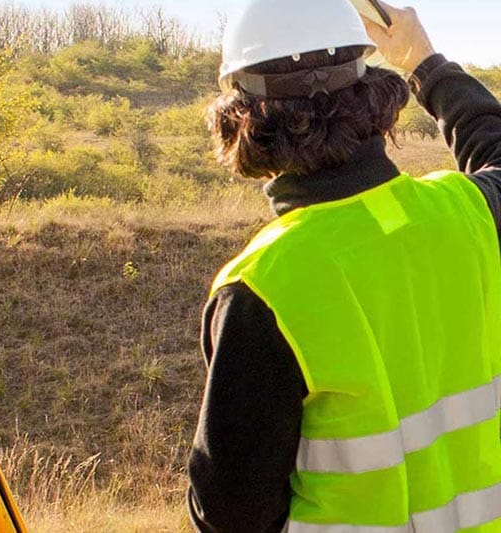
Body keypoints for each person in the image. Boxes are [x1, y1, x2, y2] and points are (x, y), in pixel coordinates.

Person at [187, 0, 501, 531]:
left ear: (240, 119)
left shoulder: (261, 289)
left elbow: (231, 515)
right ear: (373, 95)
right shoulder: (469, 215)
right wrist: (424, 60)